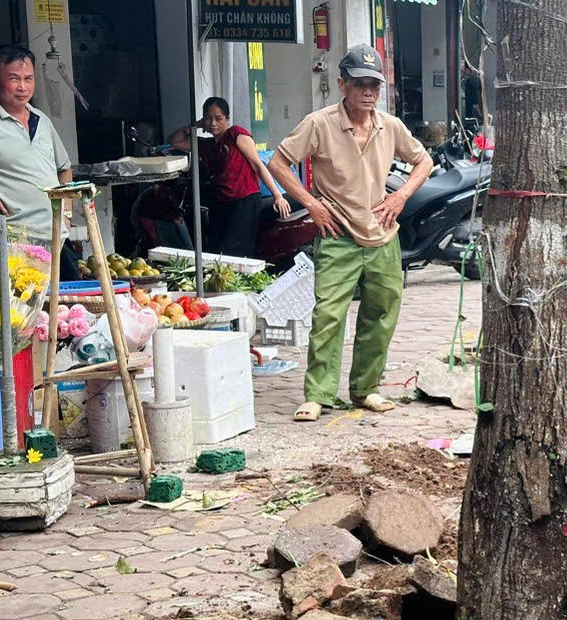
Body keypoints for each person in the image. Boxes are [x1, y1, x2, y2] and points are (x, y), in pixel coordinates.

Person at [267, 44, 433, 422]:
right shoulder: (319, 123)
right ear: (342, 84)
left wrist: (402, 196)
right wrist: (310, 203)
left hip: (383, 236)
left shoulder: (389, 126)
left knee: (381, 315)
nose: (368, 91)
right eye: (360, 83)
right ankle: (318, 394)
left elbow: (424, 160)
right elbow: (278, 162)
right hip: (337, 234)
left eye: (374, 84)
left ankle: (365, 389)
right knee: (328, 315)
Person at [0, 44, 78, 280]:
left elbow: (64, 169)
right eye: (14, 79)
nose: (23, 87)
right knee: (25, 312)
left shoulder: (41, 119)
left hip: (57, 239)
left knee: (71, 307)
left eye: (28, 79)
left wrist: (67, 216)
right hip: (14, 245)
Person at [169, 97, 290, 258]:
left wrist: (277, 196)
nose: (213, 123)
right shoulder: (206, 146)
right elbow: (173, 141)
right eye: (208, 118)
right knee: (214, 249)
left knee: (234, 252)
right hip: (221, 203)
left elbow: (258, 165)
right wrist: (197, 124)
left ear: (227, 118)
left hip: (244, 200)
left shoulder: (236, 134)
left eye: (218, 118)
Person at [461, 62, 483, 126]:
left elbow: (474, 100)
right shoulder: (466, 82)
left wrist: (479, 113)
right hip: (467, 107)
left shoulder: (471, 82)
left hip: (470, 108)